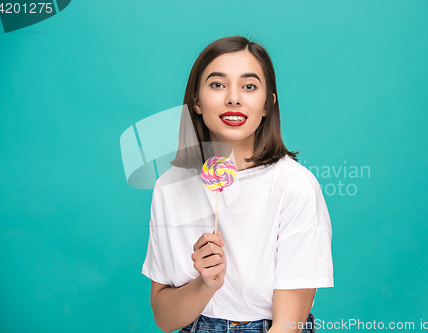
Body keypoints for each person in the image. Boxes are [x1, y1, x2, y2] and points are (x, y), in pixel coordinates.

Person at [142, 35, 334, 333]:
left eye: (249, 86)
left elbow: (288, 326)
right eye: (218, 84)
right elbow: (165, 320)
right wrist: (205, 284)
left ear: (268, 104)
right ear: (196, 101)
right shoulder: (170, 188)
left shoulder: (295, 185)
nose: (234, 98)